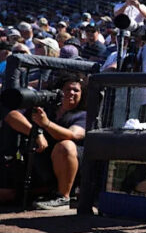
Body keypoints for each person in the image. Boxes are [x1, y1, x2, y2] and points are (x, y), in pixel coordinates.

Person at [1, 74, 87, 210]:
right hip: (39, 165)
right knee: (5, 194)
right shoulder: (45, 107)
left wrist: (46, 124)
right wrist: (36, 133)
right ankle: (41, 193)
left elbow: (73, 135)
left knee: (65, 145)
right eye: (67, 89)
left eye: (76, 90)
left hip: (68, 167)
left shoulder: (82, 115)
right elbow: (11, 116)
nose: (71, 93)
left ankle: (62, 198)